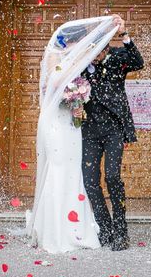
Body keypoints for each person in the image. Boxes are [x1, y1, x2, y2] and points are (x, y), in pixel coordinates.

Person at [26, 16, 119, 253]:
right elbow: (53, 86)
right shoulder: (54, 58)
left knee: (73, 172)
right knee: (57, 170)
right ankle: (54, 230)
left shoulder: (76, 58)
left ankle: (75, 228)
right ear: (69, 43)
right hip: (55, 122)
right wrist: (73, 93)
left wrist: (112, 27)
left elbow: (93, 51)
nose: (79, 47)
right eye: (77, 43)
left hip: (72, 124)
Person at [81, 15, 144, 251]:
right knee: (89, 182)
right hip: (89, 130)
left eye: (98, 49)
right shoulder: (82, 63)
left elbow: (138, 62)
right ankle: (105, 229)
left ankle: (121, 231)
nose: (95, 55)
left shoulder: (117, 57)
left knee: (112, 177)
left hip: (113, 129)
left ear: (106, 47)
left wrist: (124, 35)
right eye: (91, 49)